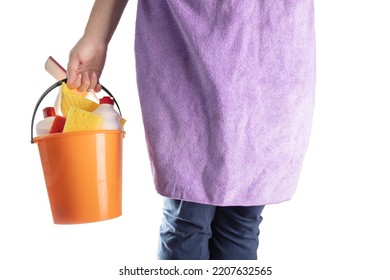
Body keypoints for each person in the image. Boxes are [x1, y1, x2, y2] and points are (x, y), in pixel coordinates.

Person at [66, 0, 316, 260]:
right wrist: (95, 37)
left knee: (230, 221)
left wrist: (96, 37)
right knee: (197, 217)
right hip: (193, 35)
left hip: (265, 44)